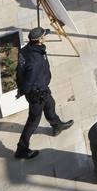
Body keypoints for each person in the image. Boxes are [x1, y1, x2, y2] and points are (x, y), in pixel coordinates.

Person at [14, 27, 74, 160]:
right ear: (40, 40)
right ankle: (21, 149)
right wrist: (30, 93)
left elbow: (19, 70)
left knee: (50, 104)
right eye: (44, 36)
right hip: (37, 93)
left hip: (42, 90)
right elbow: (29, 82)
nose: (45, 37)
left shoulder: (26, 50)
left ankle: (56, 125)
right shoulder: (36, 60)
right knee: (33, 121)